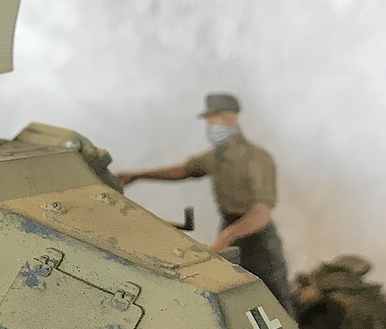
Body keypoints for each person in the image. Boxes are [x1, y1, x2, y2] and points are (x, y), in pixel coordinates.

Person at [117, 92, 294, 314]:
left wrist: (228, 236)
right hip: (230, 230)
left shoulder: (256, 159)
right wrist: (138, 175)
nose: (211, 125)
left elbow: (261, 212)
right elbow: (185, 170)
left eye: (215, 118)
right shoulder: (216, 156)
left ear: (231, 118)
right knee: (233, 297)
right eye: (209, 120)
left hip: (257, 239)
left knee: (276, 299)